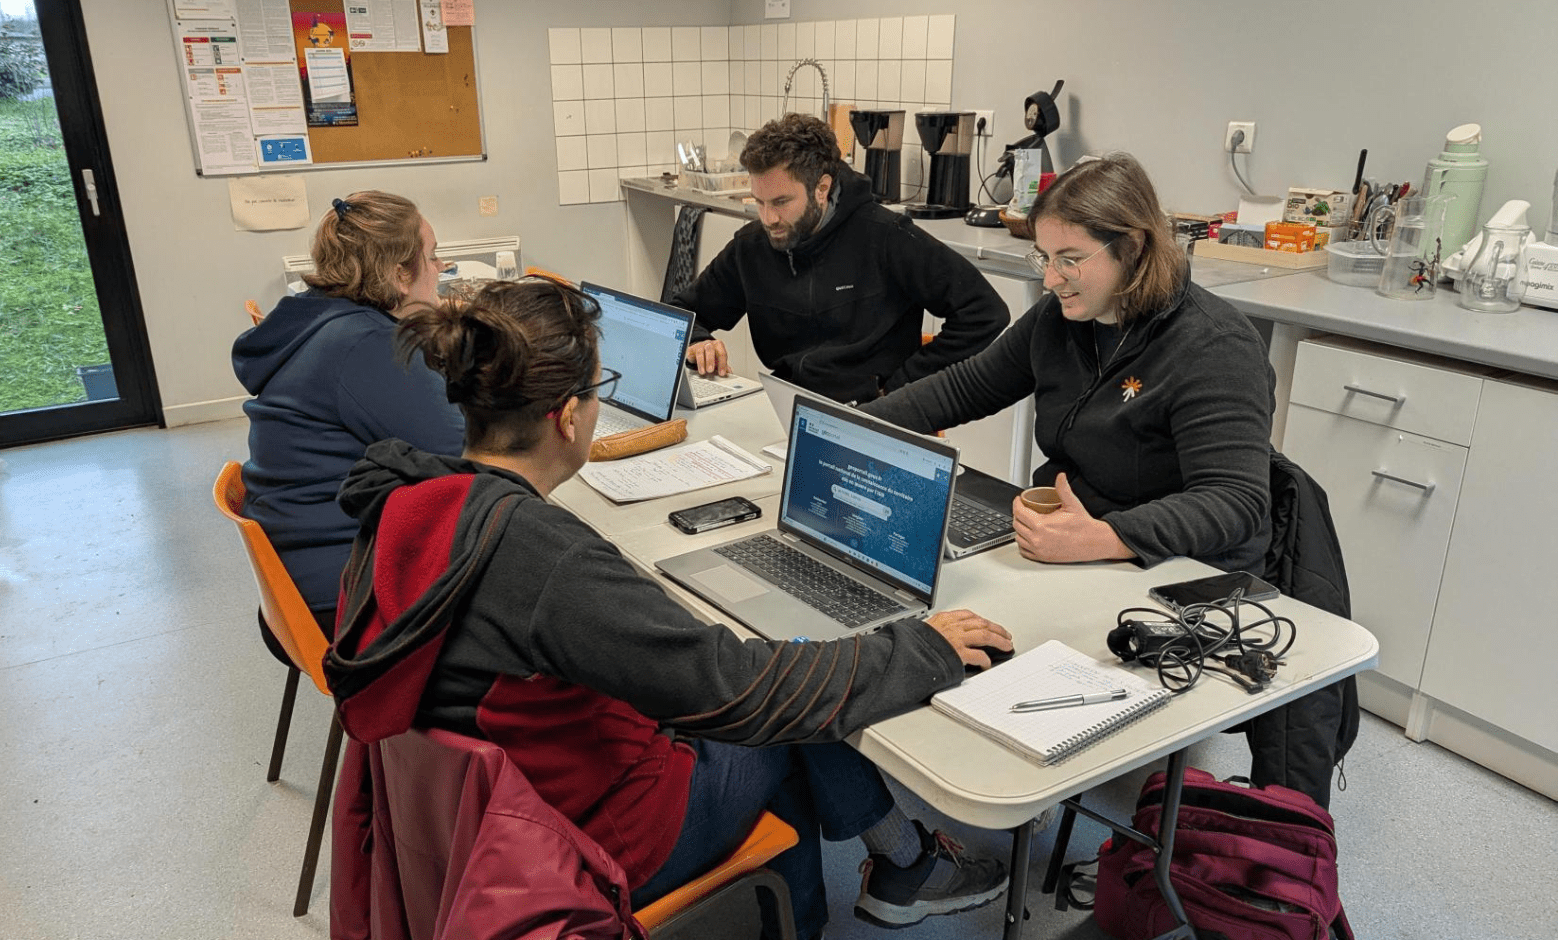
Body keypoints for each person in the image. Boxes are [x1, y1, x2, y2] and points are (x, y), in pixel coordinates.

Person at [324, 277, 1015, 940]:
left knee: (788, 684)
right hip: (588, 835)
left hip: (472, 817)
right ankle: (893, 871)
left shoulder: (408, 503)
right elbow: (744, 693)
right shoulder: (545, 560)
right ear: (568, 417)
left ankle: (880, 874)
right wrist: (920, 649)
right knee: (788, 715)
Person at [862, 153, 1274, 574]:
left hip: (1177, 572)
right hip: (1075, 547)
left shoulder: (1216, 346)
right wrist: (850, 427)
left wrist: (1108, 536)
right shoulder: (1060, 318)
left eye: (1070, 260)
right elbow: (963, 388)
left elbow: (1233, 501)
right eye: (1045, 257)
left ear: (1132, 247)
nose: (1050, 279)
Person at [232, 191, 465, 652]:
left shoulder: (317, 320)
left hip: (296, 585)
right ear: (400, 274)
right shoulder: (365, 345)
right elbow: (466, 456)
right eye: (433, 258)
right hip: (340, 601)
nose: (440, 270)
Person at [675, 113, 1010, 405]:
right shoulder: (752, 246)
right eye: (759, 202)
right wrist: (699, 340)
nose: (768, 218)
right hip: (786, 403)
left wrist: (901, 388)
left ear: (822, 188)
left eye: (780, 202)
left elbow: (984, 312)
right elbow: (680, 312)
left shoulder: (886, 236)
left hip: (873, 413)